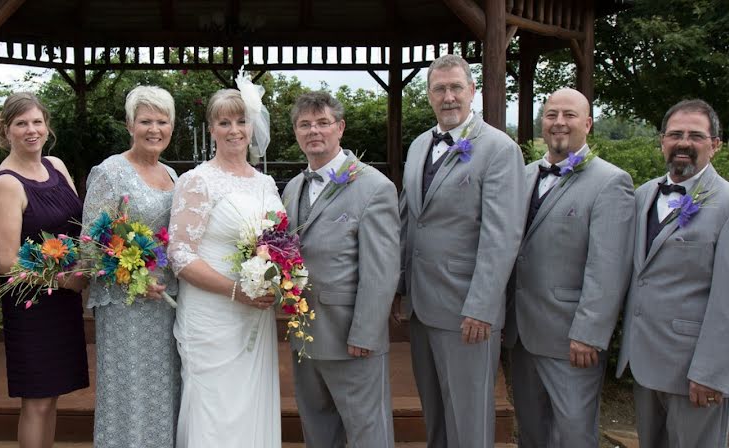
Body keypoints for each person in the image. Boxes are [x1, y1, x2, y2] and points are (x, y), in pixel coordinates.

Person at [616, 99, 729, 447]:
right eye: (676, 134)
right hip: (645, 363)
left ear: (715, 145)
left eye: (696, 135)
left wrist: (711, 373)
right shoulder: (643, 195)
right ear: (662, 141)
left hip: (696, 373)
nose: (684, 142)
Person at [397, 53, 526, 447]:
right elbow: (408, 221)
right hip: (422, 306)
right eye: (439, 89)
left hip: (467, 310)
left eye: (456, 87)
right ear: (429, 95)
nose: (448, 96)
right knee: (434, 413)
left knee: (469, 420)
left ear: (473, 91)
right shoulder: (420, 145)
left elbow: (501, 236)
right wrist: (401, 289)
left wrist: (482, 306)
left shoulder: (500, 150)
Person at [502, 88, 635, 447]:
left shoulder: (611, 182)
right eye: (551, 115)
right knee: (531, 431)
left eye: (569, 115)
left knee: (573, 433)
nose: (559, 122)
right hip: (522, 332)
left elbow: (608, 267)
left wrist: (590, 333)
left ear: (588, 124)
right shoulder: (524, 175)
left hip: (571, 337)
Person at [282, 92, 400, 447]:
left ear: (340, 128)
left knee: (367, 433)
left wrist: (365, 333)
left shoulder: (374, 187)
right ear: (296, 132)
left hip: (351, 336)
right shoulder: (291, 188)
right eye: (305, 124)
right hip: (305, 334)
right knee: (318, 430)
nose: (313, 131)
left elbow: (382, 270)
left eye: (322, 122)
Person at [167, 88, 281, 448]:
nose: (235, 129)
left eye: (242, 120)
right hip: (213, 314)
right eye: (224, 122)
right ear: (211, 129)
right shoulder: (198, 181)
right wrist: (236, 291)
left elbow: (281, 245)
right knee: (214, 408)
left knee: (250, 404)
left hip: (255, 315)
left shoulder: (266, 183)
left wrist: (278, 279)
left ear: (253, 126)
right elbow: (180, 255)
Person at [82, 85, 181, 447]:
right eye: (145, 121)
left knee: (166, 390)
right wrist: (135, 281)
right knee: (130, 394)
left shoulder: (173, 175)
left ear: (171, 127)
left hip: (169, 302)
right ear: (129, 125)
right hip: (126, 305)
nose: (154, 129)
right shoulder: (111, 172)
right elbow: (90, 246)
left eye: (162, 121)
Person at [0, 92, 89, 448]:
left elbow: (80, 228)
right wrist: (63, 279)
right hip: (32, 303)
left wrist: (90, 262)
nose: (31, 130)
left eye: (36, 122)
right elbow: (6, 260)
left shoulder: (57, 166)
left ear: (46, 126)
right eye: (21, 124)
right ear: (6, 130)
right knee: (37, 401)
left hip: (63, 301)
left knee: (53, 397)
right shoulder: (6, 183)